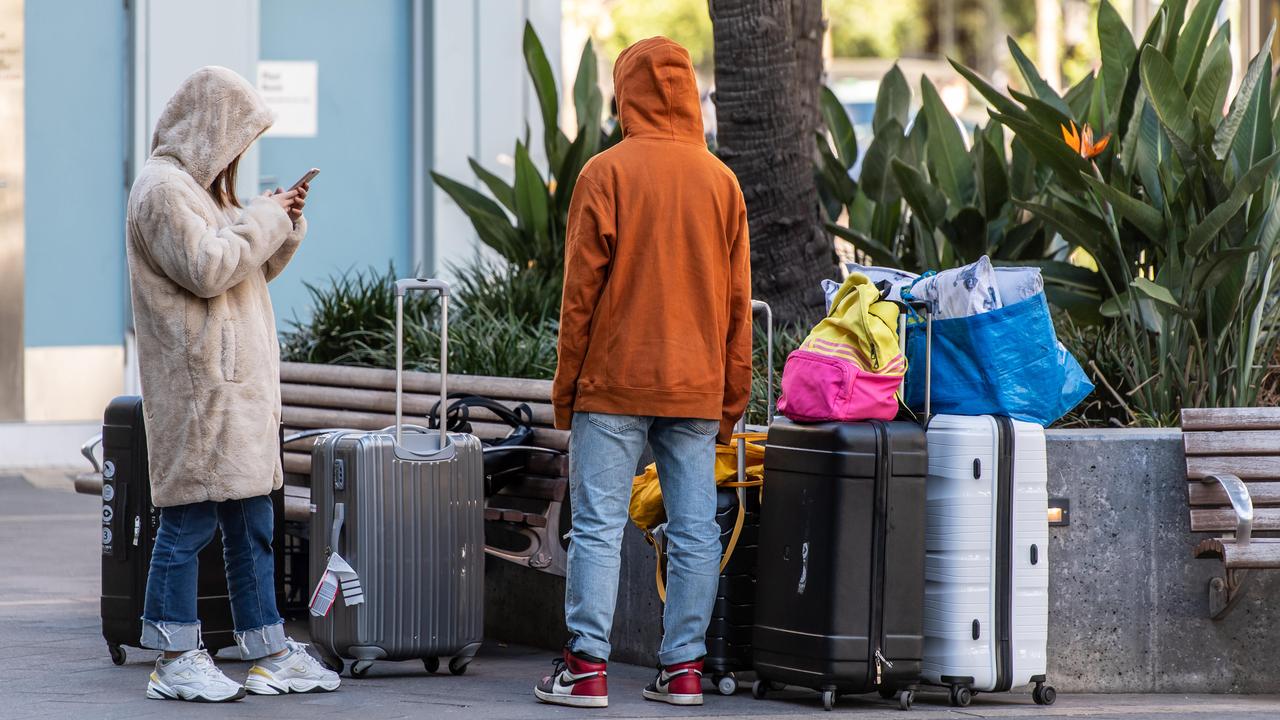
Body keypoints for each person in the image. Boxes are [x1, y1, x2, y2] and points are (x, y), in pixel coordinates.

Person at [535, 37, 752, 709]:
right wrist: (732, 399)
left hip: (615, 379)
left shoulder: (606, 173)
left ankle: (586, 670)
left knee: (598, 526)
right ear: (689, 93)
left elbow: (580, 299)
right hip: (694, 385)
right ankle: (684, 670)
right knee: (695, 530)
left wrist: (566, 390)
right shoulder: (722, 183)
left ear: (626, 94)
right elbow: (737, 305)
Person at [125, 66, 339, 702]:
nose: (241, 153)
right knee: (188, 520)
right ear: (210, 128)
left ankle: (267, 648)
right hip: (200, 391)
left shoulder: (203, 192)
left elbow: (242, 273)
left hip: (233, 392)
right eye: (237, 138)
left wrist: (280, 221)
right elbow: (208, 267)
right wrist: (262, 220)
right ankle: (172, 655)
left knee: (252, 523)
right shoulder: (163, 191)